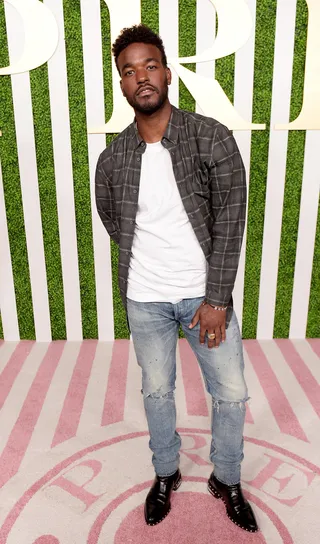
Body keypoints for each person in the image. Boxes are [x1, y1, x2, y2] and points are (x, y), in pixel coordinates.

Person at [95, 24, 258, 533]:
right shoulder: (113, 158)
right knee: (157, 392)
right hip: (145, 299)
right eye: (128, 70)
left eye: (149, 66)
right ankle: (165, 472)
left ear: (166, 73)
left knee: (230, 393)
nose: (140, 77)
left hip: (203, 297)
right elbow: (113, 218)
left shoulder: (210, 137)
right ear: (121, 85)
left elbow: (232, 220)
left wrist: (216, 298)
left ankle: (226, 478)